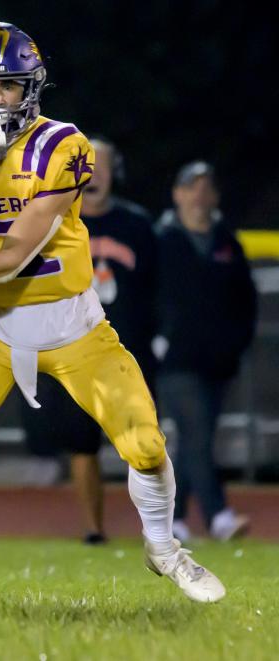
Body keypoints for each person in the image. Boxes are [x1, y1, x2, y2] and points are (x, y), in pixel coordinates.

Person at [0, 22, 225, 605]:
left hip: (72, 323)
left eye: (7, 86)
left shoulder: (60, 146)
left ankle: (164, 548)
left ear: (30, 89)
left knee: (145, 442)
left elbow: (16, 253)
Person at [20, 136, 158, 544]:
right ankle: (94, 528)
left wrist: (159, 336)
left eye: (104, 165)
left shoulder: (137, 225)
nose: (94, 174)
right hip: (72, 348)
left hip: (127, 350)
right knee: (82, 444)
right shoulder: (53, 221)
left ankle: (159, 527)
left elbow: (159, 288)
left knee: (143, 442)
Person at [154, 161, 257, 542]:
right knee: (196, 434)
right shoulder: (161, 239)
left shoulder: (227, 241)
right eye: (191, 187)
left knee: (194, 440)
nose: (199, 195)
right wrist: (156, 338)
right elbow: (146, 296)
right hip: (176, 359)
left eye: (206, 187)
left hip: (219, 361)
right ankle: (218, 516)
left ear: (214, 196)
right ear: (177, 194)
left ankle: (174, 519)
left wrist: (237, 343)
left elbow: (246, 301)